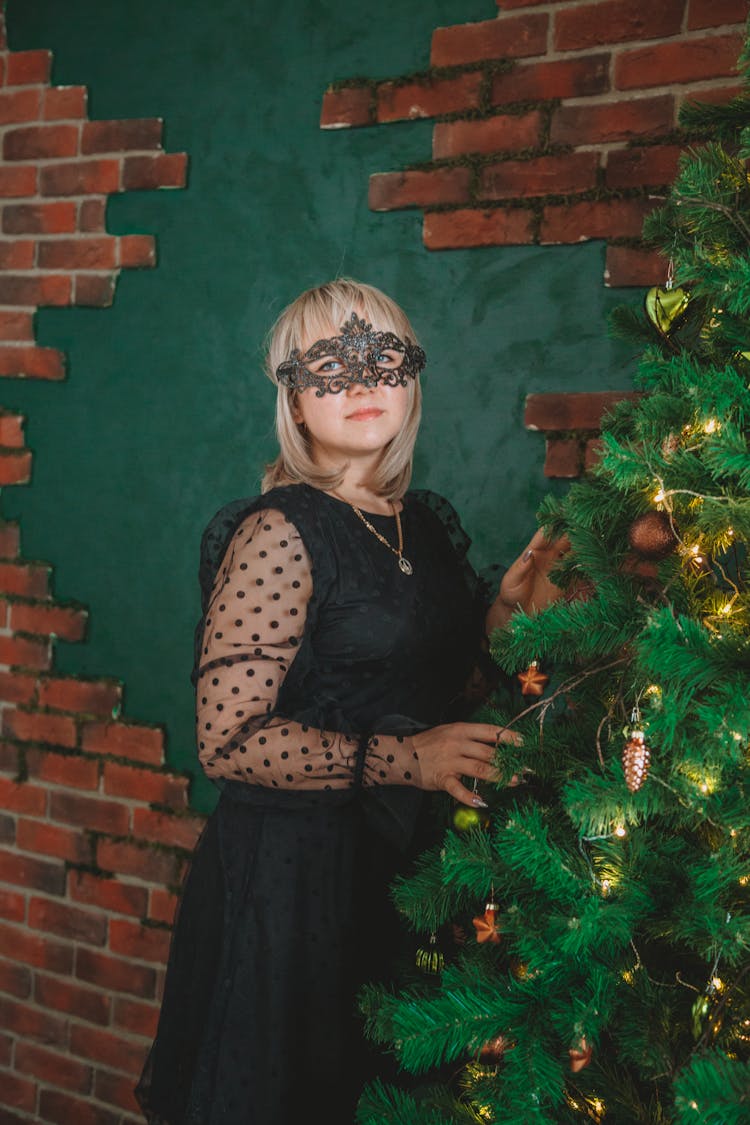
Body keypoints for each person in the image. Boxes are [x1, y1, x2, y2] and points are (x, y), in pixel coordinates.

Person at [135, 279, 565, 1125]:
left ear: (412, 382)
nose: (362, 379)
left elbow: (440, 695)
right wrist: (414, 759)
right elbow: (227, 739)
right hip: (293, 882)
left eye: (384, 358)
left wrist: (508, 615)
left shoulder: (423, 525)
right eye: (329, 363)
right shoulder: (279, 531)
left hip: (400, 870)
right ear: (294, 403)